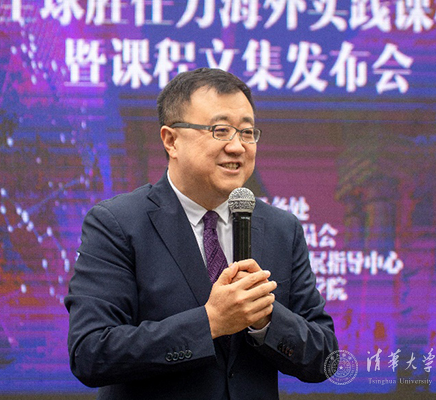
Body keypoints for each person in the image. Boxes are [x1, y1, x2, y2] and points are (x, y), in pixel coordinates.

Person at [65, 67, 338, 400]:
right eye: (220, 131)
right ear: (171, 140)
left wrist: (266, 320)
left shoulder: (281, 228)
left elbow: (325, 357)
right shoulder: (117, 224)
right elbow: (91, 352)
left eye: (247, 132)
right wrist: (210, 322)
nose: (237, 147)